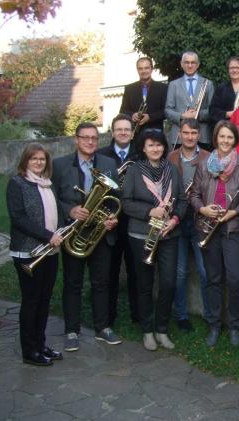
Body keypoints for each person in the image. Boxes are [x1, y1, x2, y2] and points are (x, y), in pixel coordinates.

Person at [52, 123, 122, 352]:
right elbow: (53, 198)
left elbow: (114, 197)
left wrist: (111, 217)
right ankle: (72, 330)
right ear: (76, 139)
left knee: (101, 283)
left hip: (99, 233)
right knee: (73, 283)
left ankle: (103, 328)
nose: (90, 142)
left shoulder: (108, 163)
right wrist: (70, 210)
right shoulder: (60, 165)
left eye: (94, 138)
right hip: (74, 232)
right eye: (85, 138)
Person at [121, 129, 187, 351]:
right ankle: (148, 331)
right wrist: (150, 211)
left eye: (159, 145)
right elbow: (126, 202)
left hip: (169, 235)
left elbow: (183, 200)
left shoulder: (172, 170)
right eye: (151, 145)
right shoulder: (134, 171)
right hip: (142, 235)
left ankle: (162, 329)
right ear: (143, 148)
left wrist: (175, 219)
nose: (156, 149)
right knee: (145, 284)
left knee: (169, 283)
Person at [189, 120, 239, 347]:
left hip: (233, 229)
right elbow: (194, 194)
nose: (225, 141)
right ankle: (214, 325)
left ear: (235, 139)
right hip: (208, 228)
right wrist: (203, 209)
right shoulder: (204, 164)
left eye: (230, 137)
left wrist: (234, 212)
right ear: (216, 138)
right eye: (222, 137)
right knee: (213, 279)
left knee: (235, 279)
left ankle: (235, 326)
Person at [6, 143, 64, 366]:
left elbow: (55, 212)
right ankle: (29, 351)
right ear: (26, 161)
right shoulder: (17, 183)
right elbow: (18, 218)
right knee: (31, 301)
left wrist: (60, 230)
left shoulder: (47, 184)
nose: (39, 162)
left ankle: (40, 345)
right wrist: (48, 235)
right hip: (27, 251)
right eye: (34, 159)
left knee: (44, 300)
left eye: (42, 159)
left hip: (50, 251)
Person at [167, 119, 211, 332]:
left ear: (199, 134)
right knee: (180, 272)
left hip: (200, 222)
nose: (190, 137)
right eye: (186, 133)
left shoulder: (208, 158)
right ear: (180, 133)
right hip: (177, 222)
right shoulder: (171, 157)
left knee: (205, 271)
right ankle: (182, 316)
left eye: (194, 133)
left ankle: (211, 316)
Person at [97, 114, 139, 327]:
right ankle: (108, 317)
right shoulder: (100, 155)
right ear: (112, 132)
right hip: (109, 221)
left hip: (132, 221)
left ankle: (137, 316)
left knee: (135, 271)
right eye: (119, 129)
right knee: (109, 272)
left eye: (127, 129)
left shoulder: (139, 155)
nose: (123, 132)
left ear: (132, 132)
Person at [119, 56, 168, 160]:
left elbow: (166, 111)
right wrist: (132, 115)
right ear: (137, 70)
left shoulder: (163, 88)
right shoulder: (129, 88)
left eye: (146, 68)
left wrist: (150, 117)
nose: (143, 71)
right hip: (136, 137)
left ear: (152, 69)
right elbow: (123, 110)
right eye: (140, 68)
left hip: (156, 135)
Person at [165, 51, 216, 150]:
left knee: (202, 164)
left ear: (198, 65)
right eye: (186, 62)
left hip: (202, 136)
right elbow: (167, 110)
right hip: (179, 136)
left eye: (193, 62)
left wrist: (198, 115)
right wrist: (182, 116)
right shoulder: (173, 85)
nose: (190, 65)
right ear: (181, 64)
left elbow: (213, 110)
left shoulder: (208, 84)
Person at [209, 56, 239, 131]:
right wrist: (228, 114)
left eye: (238, 68)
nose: (235, 70)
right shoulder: (221, 88)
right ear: (228, 70)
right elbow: (213, 111)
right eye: (232, 68)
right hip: (226, 129)